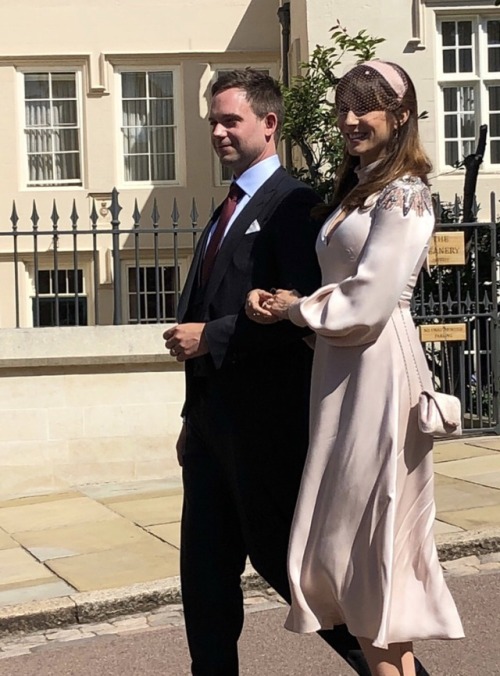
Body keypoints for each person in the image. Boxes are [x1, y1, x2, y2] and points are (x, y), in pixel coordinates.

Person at [163, 68, 386, 676]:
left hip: (265, 430)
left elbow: (304, 310)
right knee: (204, 586)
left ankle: (391, 669)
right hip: (211, 428)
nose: (218, 132)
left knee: (298, 575)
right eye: (213, 121)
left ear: (269, 123)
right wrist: (192, 417)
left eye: (230, 120)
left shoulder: (295, 204)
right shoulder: (224, 210)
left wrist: (212, 336)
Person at [246, 60, 463, 676]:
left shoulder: (406, 193)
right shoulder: (363, 190)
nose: (348, 119)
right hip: (342, 369)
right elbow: (342, 293)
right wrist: (288, 308)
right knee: (357, 559)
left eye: (363, 106)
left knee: (372, 548)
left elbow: (368, 302)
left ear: (400, 115)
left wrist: (296, 309)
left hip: (377, 373)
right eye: (342, 106)